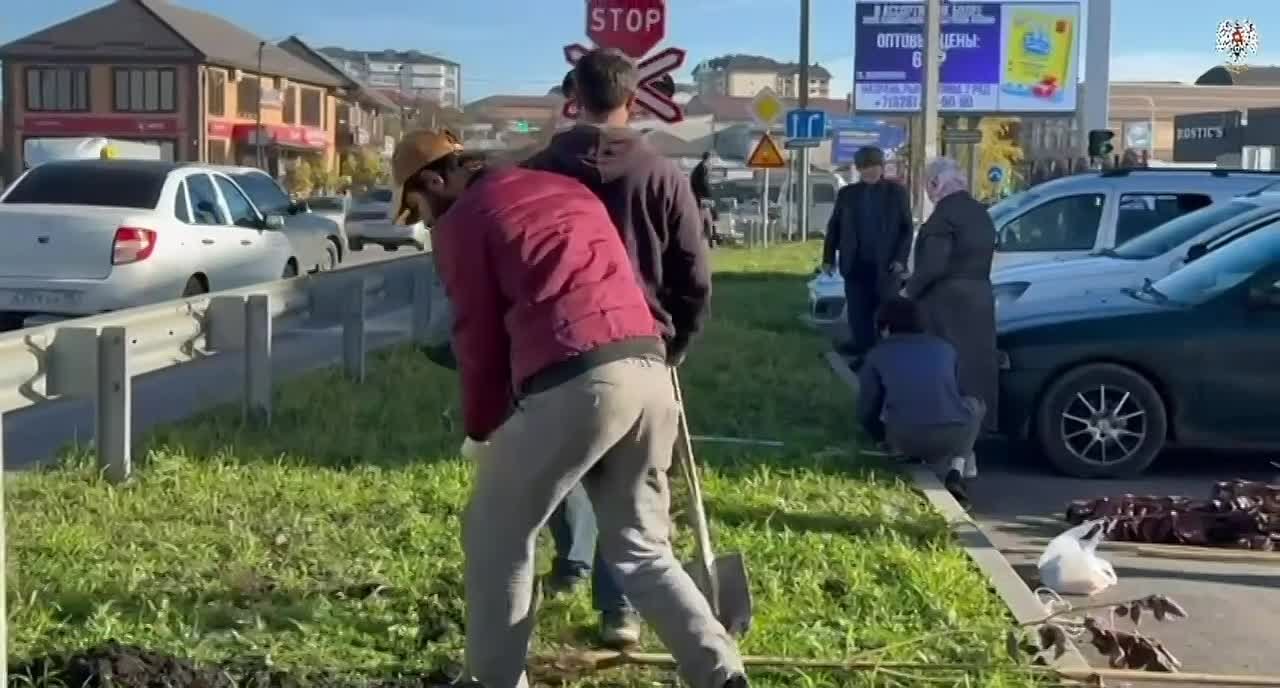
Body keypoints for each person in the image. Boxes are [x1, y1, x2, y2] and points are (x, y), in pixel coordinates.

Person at [390, 129, 746, 688]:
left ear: (436, 180)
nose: (425, 222)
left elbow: (478, 337)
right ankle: (720, 672)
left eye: (418, 208)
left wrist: (481, 429)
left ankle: (492, 681)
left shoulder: (463, 221)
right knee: (642, 548)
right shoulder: (566, 190)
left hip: (578, 381)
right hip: (650, 372)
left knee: (496, 534)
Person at [523, 47, 713, 649]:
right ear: (632, 99)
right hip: (640, 344)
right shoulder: (662, 175)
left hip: (554, 347)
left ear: (573, 98)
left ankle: (564, 568)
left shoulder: (537, 172)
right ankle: (619, 609)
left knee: (549, 475)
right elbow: (693, 273)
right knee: (631, 490)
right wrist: (676, 341)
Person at [857, 297, 986, 503]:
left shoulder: (877, 354)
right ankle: (957, 470)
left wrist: (880, 439)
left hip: (904, 438)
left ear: (886, 327)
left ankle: (942, 461)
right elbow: (957, 393)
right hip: (951, 438)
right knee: (975, 405)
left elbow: (866, 408)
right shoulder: (945, 349)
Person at [905, 157, 999, 440]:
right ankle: (979, 428)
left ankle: (949, 432)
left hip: (947, 303)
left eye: (927, 184)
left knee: (947, 366)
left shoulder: (943, 217)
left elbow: (933, 265)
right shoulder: (981, 213)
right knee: (978, 367)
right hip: (981, 297)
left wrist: (909, 291)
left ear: (936, 183)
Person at [821, 145, 913, 365]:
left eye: (874, 166)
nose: (870, 171)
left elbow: (906, 229)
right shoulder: (848, 194)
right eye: (864, 167)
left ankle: (881, 355)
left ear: (882, 167)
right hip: (855, 263)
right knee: (858, 312)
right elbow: (834, 227)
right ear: (859, 169)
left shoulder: (896, 193)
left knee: (884, 313)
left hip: (886, 266)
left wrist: (900, 260)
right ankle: (863, 350)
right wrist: (828, 258)